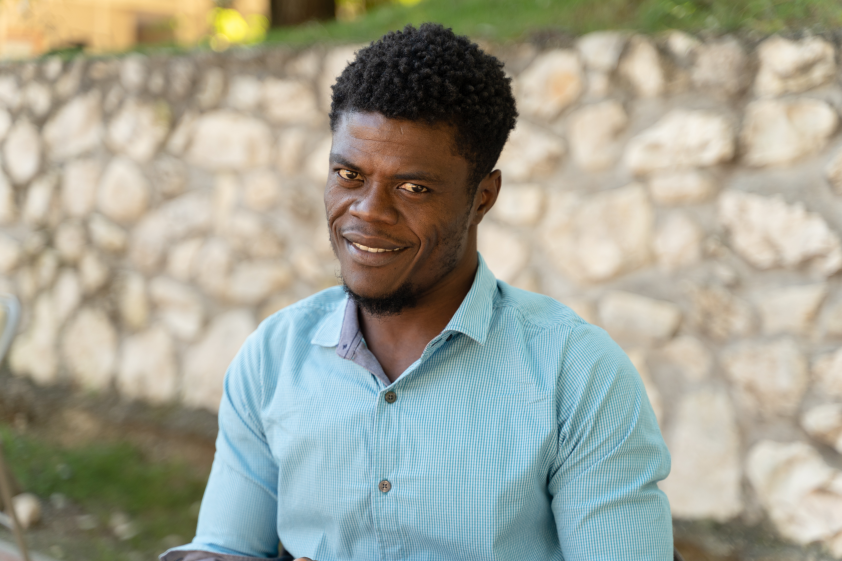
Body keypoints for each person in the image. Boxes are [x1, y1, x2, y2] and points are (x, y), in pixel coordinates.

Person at [162, 23, 673, 561]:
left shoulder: (577, 376)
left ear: (482, 197)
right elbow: (224, 549)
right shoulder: (273, 358)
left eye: (413, 188)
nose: (368, 213)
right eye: (349, 174)